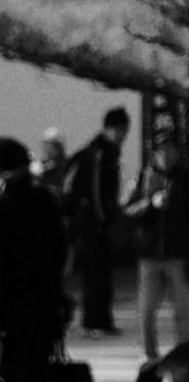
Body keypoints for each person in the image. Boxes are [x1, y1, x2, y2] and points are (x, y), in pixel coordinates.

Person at [126, 137, 189, 360]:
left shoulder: (188, 180)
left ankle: (183, 355)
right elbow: (127, 210)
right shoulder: (143, 177)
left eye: (171, 151)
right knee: (147, 310)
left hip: (178, 254)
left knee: (183, 310)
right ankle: (150, 356)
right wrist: (150, 204)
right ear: (154, 154)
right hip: (149, 255)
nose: (167, 156)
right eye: (162, 151)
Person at [0, 136, 68, 382]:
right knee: (36, 374)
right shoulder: (45, 200)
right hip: (44, 305)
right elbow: (60, 252)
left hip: (10, 310)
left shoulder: (5, 206)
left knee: (12, 375)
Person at [65, 106, 130, 335]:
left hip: (95, 223)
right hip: (92, 225)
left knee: (101, 273)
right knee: (95, 274)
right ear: (111, 129)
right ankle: (94, 321)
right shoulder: (99, 153)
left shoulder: (104, 151)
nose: (123, 136)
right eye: (121, 130)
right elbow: (95, 191)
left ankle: (101, 319)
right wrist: (103, 220)